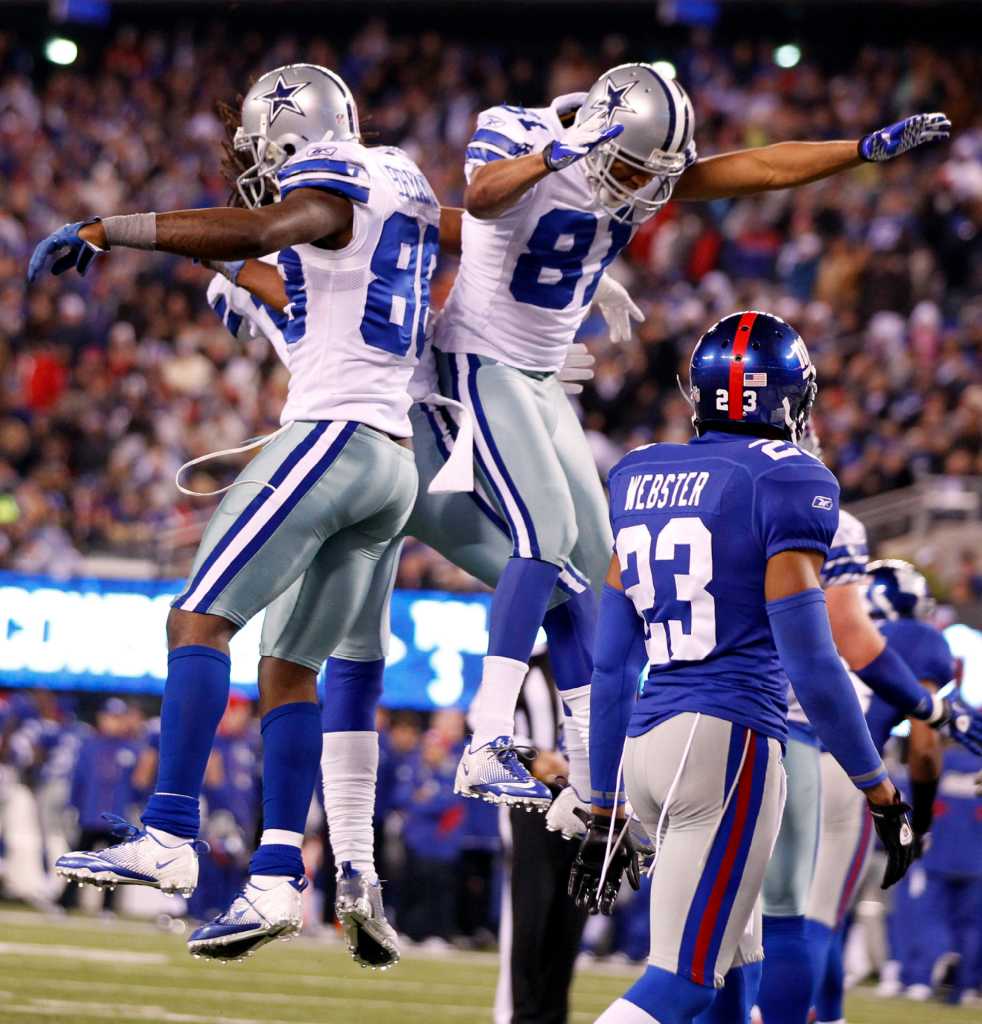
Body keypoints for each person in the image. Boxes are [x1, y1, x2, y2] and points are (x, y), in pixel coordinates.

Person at [443, 60, 952, 808]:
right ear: (589, 134)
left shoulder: (637, 167)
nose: (642, 191)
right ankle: (486, 737)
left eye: (656, 174)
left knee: (594, 559)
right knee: (547, 537)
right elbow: (482, 200)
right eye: (629, 167)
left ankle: (591, 771)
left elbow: (760, 169)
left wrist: (860, 150)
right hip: (480, 356)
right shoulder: (519, 133)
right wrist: (561, 154)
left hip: (544, 372)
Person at [32, 62, 440, 960]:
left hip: (333, 438)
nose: (258, 167)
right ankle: (274, 882)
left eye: (262, 151)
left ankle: (171, 833)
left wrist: (110, 231)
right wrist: (242, 274)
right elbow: (307, 284)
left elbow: (271, 224)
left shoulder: (327, 185)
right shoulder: (402, 180)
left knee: (196, 621)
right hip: (392, 462)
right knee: (291, 671)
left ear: (293, 139)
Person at [573, 310, 915, 1024]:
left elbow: (610, 666)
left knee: (735, 959)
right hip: (727, 739)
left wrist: (603, 801)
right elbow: (813, 660)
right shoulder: (791, 480)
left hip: (647, 741)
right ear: (791, 396)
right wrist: (878, 788)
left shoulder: (637, 472)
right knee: (686, 978)